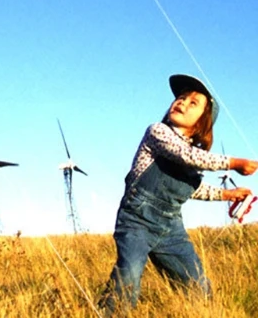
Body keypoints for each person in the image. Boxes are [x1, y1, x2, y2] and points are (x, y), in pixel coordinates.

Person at [99, 74, 258, 314]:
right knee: (128, 279)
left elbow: (194, 187)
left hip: (171, 229)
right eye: (181, 97)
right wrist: (234, 162)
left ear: (200, 124)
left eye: (193, 102)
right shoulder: (158, 133)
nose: (182, 102)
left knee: (198, 286)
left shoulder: (194, 156)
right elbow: (188, 156)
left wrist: (228, 195)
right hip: (137, 223)